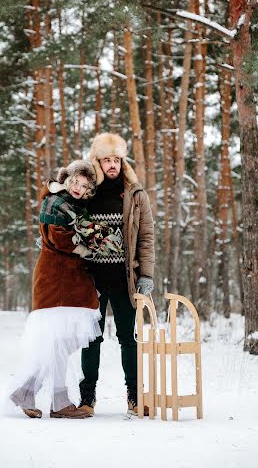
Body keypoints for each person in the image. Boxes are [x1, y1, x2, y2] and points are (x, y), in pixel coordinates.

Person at [8, 160, 101, 419]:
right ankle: (57, 401)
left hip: (71, 279)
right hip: (55, 279)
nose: (78, 188)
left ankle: (29, 390)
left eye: (84, 186)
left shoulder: (76, 207)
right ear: (67, 179)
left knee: (62, 341)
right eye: (75, 182)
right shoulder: (54, 201)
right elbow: (57, 236)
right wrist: (84, 247)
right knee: (59, 340)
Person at [78, 133, 155, 416]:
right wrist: (51, 239)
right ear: (97, 162)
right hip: (90, 279)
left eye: (116, 159)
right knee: (90, 339)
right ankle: (87, 398)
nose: (112, 165)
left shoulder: (135, 194)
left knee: (128, 338)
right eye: (106, 160)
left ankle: (134, 396)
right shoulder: (86, 194)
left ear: (122, 161)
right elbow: (66, 221)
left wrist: (146, 275)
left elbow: (146, 237)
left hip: (125, 279)